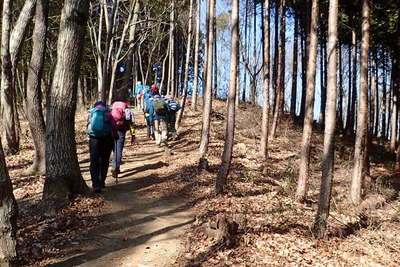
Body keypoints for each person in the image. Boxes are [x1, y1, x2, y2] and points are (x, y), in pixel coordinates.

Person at [87, 101, 117, 193]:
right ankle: (102, 181)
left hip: (93, 139)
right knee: (104, 160)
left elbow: (88, 126)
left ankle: (95, 184)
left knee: (94, 161)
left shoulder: (91, 113)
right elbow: (113, 126)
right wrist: (115, 136)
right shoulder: (108, 113)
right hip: (106, 139)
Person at [110, 100, 136, 181]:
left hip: (111, 131)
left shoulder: (112, 108)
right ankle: (115, 168)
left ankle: (114, 166)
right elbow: (132, 124)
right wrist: (133, 135)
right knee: (118, 150)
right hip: (121, 131)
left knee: (114, 150)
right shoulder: (127, 111)